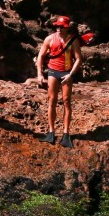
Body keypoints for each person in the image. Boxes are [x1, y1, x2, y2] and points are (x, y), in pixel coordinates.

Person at [36, 15, 83, 148]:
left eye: (61, 27)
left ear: (67, 27)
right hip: (52, 72)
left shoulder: (73, 40)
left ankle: (66, 134)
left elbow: (79, 58)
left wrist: (71, 74)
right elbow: (41, 56)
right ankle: (51, 132)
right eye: (57, 26)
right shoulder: (49, 39)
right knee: (52, 100)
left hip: (66, 73)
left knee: (67, 101)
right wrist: (40, 74)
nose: (58, 29)